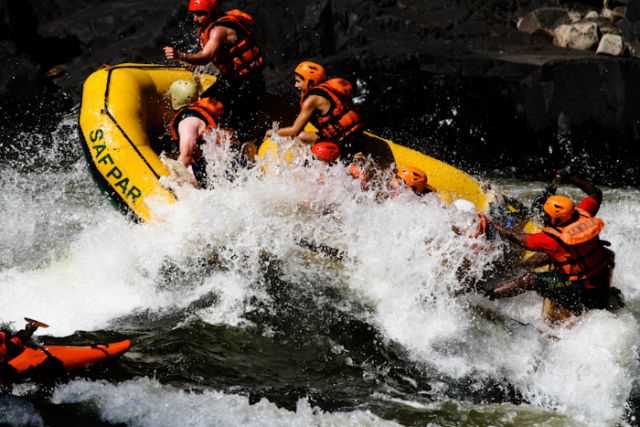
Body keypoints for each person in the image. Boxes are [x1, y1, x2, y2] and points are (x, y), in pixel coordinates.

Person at [488, 173, 620, 321]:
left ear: (557, 218)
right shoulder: (583, 213)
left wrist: (492, 225)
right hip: (599, 285)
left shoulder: (552, 240)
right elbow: (596, 193)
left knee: (530, 280)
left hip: (582, 296)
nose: (544, 216)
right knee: (551, 256)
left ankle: (488, 295)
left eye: (546, 214)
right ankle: (514, 269)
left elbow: (519, 239)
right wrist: (571, 177)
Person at [163, 0, 265, 142]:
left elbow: (206, 56)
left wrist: (180, 56)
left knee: (233, 120)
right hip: (233, 80)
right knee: (206, 102)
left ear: (213, 12)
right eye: (194, 14)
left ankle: (238, 144)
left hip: (246, 84)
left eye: (200, 14)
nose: (195, 19)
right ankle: (206, 138)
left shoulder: (219, 31)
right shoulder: (211, 26)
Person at [267, 61, 366, 164]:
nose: (295, 85)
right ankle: (357, 156)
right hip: (356, 135)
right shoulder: (328, 90)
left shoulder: (311, 100)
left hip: (342, 142)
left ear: (309, 82)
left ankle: (347, 166)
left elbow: (294, 131)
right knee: (302, 136)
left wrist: (273, 133)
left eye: (298, 81)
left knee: (314, 147)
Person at [167, 79, 235, 187]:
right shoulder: (201, 116)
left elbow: (186, 154)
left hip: (210, 174)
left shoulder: (187, 122)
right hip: (223, 170)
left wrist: (172, 182)